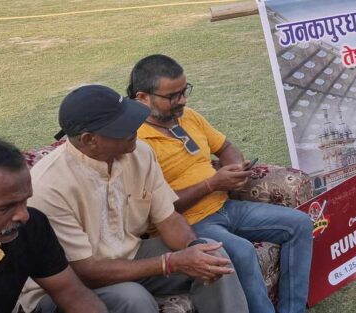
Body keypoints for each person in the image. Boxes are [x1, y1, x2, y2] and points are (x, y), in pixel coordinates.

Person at [20, 85, 248, 313]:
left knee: (212, 257)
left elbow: (168, 218)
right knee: (132, 297)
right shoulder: (49, 186)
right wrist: (169, 263)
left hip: (130, 255)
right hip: (69, 284)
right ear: (89, 140)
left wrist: (193, 248)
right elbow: (86, 270)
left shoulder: (141, 153)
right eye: (123, 125)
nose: (136, 126)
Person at [128, 55, 313, 313]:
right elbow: (157, 211)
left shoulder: (188, 117)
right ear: (142, 97)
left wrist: (235, 169)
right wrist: (211, 184)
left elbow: (225, 147)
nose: (183, 100)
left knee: (299, 224)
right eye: (173, 96)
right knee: (242, 251)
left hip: (226, 207)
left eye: (184, 91)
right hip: (188, 225)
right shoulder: (134, 142)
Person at [0, 139, 105, 313]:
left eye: (25, 201)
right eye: (4, 208)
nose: (23, 216)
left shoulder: (31, 226)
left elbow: (70, 293)